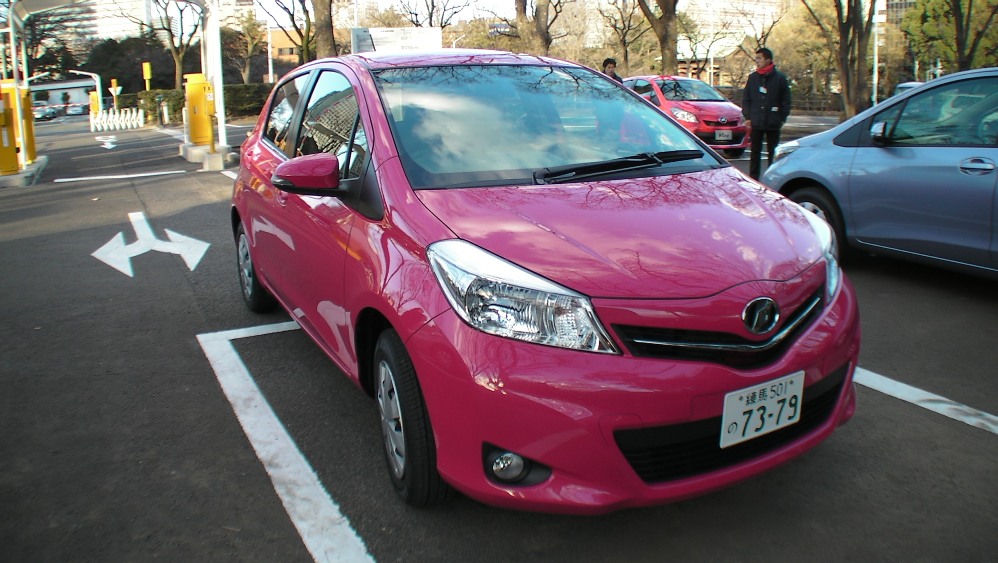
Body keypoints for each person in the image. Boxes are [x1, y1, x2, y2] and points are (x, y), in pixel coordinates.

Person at [741, 47, 791, 179]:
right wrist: (748, 116)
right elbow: (746, 98)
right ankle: (753, 179)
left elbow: (786, 100)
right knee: (755, 152)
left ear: (768, 60)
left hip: (773, 121)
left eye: (760, 58)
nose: (757, 61)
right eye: (756, 58)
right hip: (756, 121)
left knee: (772, 152)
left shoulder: (780, 78)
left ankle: (771, 178)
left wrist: (782, 118)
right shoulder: (753, 78)